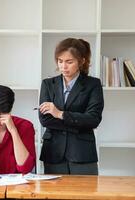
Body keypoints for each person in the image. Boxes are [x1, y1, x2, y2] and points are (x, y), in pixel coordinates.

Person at [39, 38, 104, 175]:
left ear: (81, 61)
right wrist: (79, 124)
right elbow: (45, 120)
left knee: (86, 195)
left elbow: (93, 119)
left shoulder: (93, 84)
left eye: (69, 62)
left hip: (82, 152)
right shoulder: (48, 84)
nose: (63, 66)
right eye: (60, 61)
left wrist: (60, 114)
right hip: (53, 152)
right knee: (54, 196)